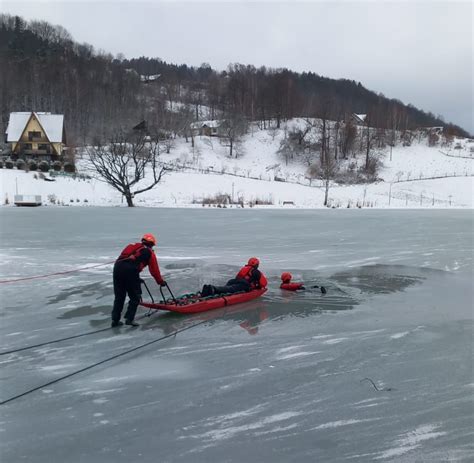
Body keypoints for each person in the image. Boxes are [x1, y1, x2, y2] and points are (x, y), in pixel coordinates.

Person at [111, 233, 166, 327]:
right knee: (135, 296)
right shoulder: (149, 252)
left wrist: (136, 277)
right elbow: (154, 270)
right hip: (130, 272)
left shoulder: (131, 246)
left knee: (119, 297)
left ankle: (115, 321)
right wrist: (160, 281)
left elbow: (126, 262)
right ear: (152, 244)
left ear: (143, 241)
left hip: (117, 268)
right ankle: (129, 319)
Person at [201, 257, 267, 297]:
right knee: (230, 289)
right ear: (256, 265)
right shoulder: (256, 271)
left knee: (227, 288)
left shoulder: (245, 268)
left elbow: (238, 277)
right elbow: (263, 284)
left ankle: (212, 289)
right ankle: (213, 288)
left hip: (233, 281)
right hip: (244, 284)